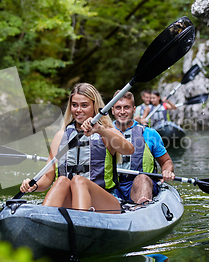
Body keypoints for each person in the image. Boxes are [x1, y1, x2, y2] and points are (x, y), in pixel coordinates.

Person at [20, 83, 134, 213]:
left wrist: (100, 130)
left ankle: (81, 223)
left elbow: (129, 150)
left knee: (79, 180)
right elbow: (47, 178)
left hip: (105, 202)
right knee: (62, 180)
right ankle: (43, 219)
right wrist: (34, 185)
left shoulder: (106, 131)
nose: (78, 110)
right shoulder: (61, 136)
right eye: (75, 105)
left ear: (94, 106)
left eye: (84, 105)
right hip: (71, 200)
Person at [111, 91, 175, 204]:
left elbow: (166, 161)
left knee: (142, 178)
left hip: (140, 184)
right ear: (112, 110)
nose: (122, 112)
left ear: (134, 109)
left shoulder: (150, 134)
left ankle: (142, 207)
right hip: (112, 186)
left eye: (126, 107)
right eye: (118, 107)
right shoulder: (102, 132)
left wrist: (167, 171)